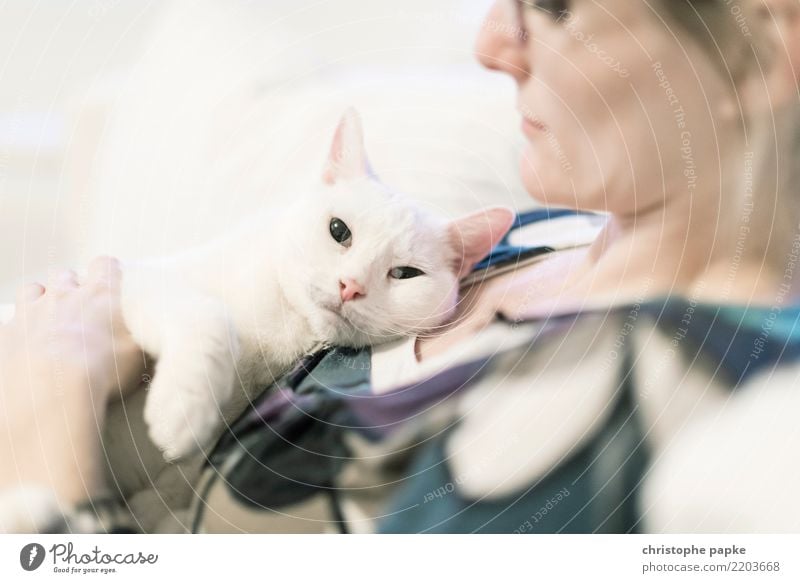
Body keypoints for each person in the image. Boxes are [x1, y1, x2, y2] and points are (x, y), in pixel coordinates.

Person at [3, 0, 800, 533]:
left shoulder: (665, 390)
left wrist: (44, 435)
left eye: (554, 5)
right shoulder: (544, 233)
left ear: (760, 56)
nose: (490, 42)